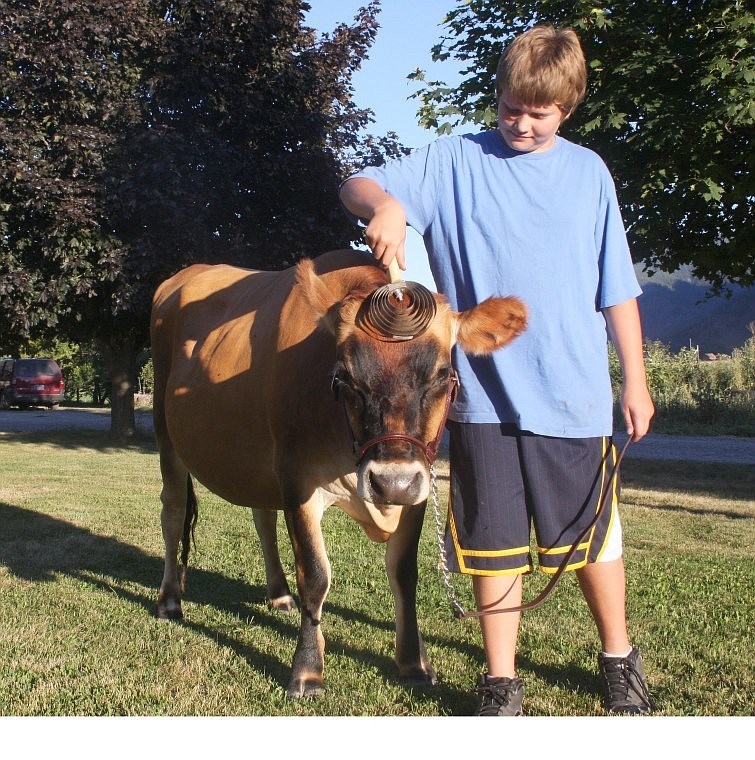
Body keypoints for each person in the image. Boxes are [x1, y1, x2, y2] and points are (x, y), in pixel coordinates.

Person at [339, 25, 656, 716]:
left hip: (571, 396)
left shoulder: (588, 173)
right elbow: (355, 184)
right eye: (509, 108)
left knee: (592, 539)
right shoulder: (452, 161)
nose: (519, 123)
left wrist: (634, 379)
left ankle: (617, 660)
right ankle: (500, 681)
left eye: (537, 114)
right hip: (480, 401)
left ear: (566, 108)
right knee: (492, 543)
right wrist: (387, 205)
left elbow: (616, 289)